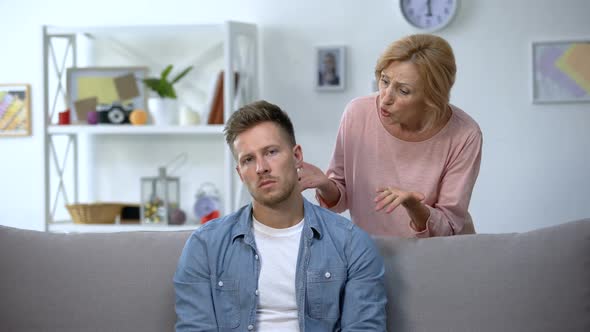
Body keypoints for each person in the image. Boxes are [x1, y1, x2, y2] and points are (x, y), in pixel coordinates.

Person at [174, 100, 386, 331]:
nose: (261, 168)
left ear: (297, 156)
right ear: (240, 173)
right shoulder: (205, 245)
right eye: (248, 159)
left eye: (271, 152)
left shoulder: (351, 244)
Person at [300, 34, 483, 238]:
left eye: (403, 91)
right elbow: (341, 200)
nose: (385, 98)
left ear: (432, 98)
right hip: (374, 252)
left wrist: (414, 207)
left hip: (440, 254)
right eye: (384, 81)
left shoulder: (465, 134)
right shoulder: (357, 113)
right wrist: (325, 184)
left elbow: (449, 227)